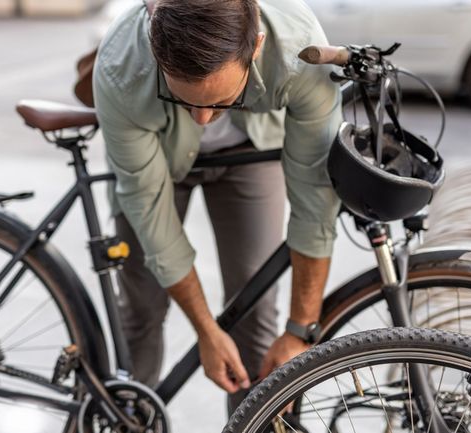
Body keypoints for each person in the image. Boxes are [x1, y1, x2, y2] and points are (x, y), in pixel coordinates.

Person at [93, 0, 342, 410]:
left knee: (255, 312)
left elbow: (315, 198)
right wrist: (206, 331)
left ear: (256, 47)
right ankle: (128, 416)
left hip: (251, 146)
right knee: (142, 310)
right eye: (185, 100)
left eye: (222, 99)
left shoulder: (301, 50)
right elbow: (151, 215)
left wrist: (301, 331)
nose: (203, 119)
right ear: (157, 52)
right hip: (155, 151)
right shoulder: (122, 68)